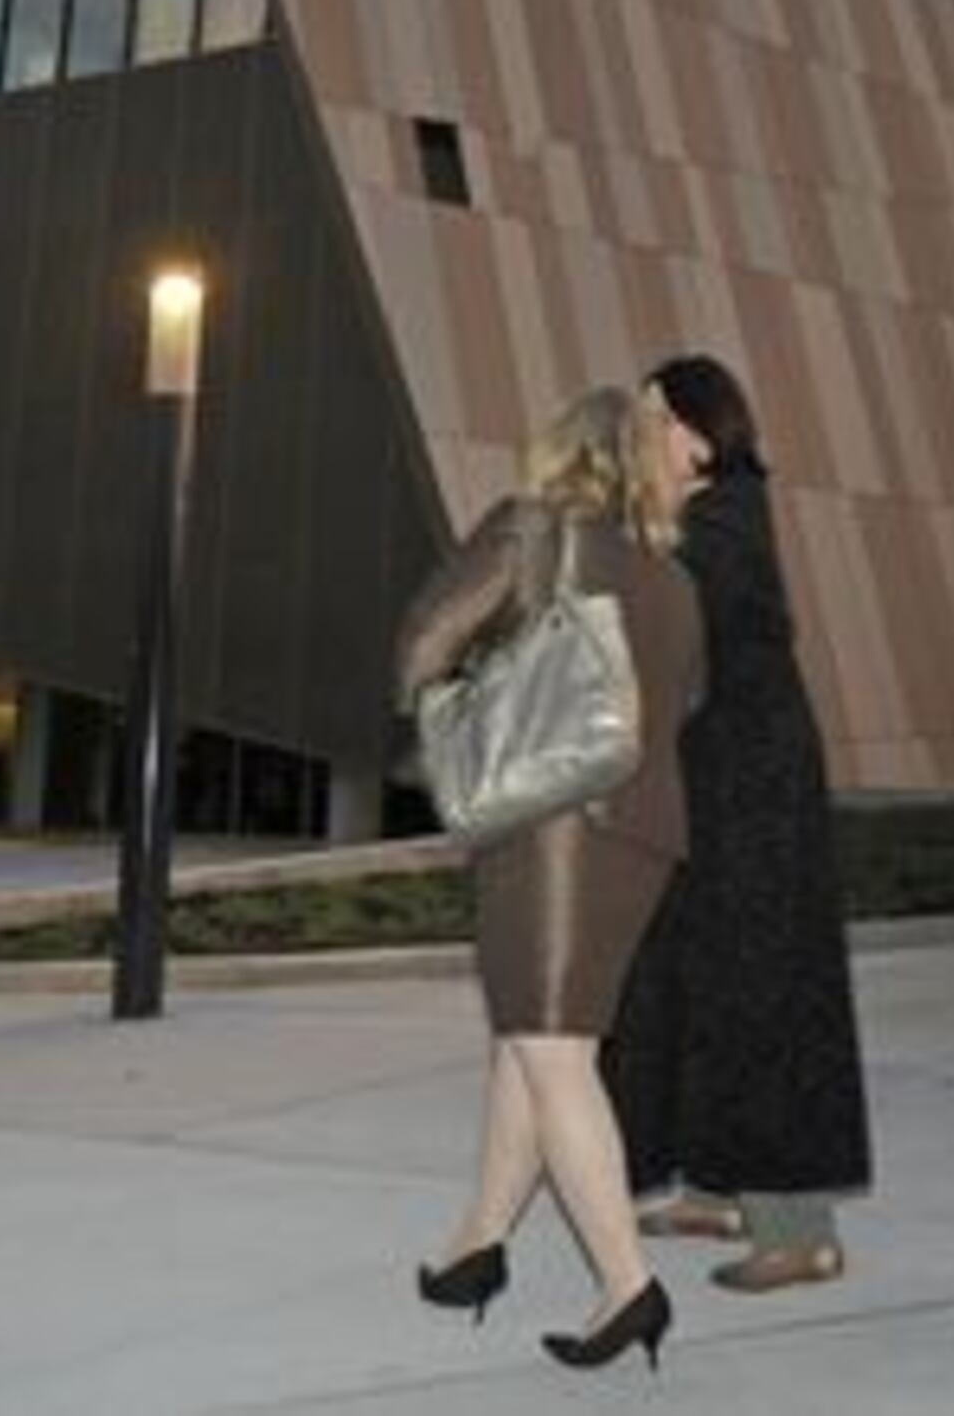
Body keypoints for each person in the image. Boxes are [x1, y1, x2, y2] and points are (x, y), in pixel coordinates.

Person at [397, 388, 705, 1373]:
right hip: (648, 830)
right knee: (530, 1041)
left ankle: (628, 1284)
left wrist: (465, 696)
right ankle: (475, 1246)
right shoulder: (669, 573)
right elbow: (683, 700)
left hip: (554, 830)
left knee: (553, 1051)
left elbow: (420, 642)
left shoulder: (534, 528)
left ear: (566, 453)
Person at [603, 353, 872, 1295]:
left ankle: (801, 1233)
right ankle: (721, 1186)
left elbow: (661, 629)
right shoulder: (701, 524)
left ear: (696, 432)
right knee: (697, 991)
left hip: (752, 808)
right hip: (715, 798)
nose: (639, 436)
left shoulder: (723, 527)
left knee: (763, 1001)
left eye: (650, 418)